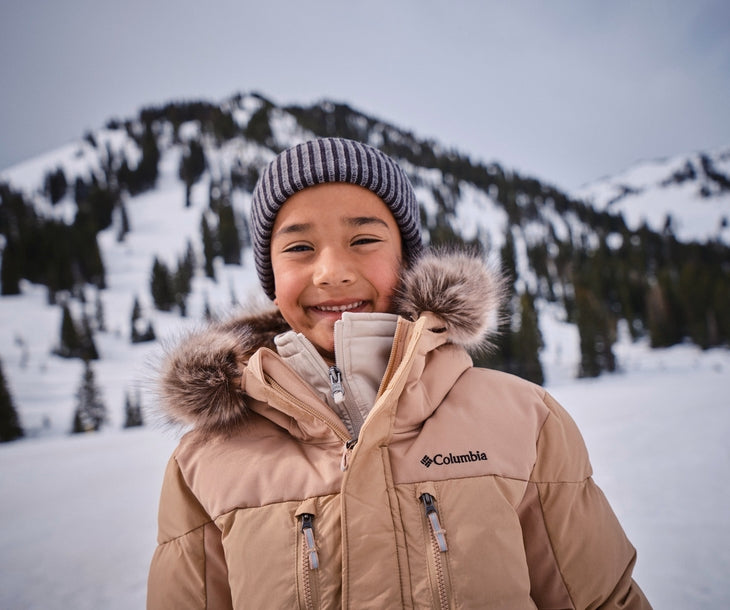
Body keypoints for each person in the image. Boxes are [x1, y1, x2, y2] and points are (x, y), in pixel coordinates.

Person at [147, 137, 651, 609]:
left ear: (407, 259)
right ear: (271, 276)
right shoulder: (204, 462)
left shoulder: (525, 420)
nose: (332, 272)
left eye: (364, 239)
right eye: (299, 248)